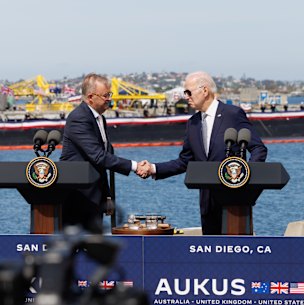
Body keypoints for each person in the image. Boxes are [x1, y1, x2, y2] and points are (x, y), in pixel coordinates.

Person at [137, 71, 267, 235]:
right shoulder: (193, 123)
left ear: (204, 90)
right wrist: (153, 169)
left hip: (235, 202)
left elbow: (258, 149)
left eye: (188, 92)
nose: (186, 97)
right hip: (207, 204)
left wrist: (246, 177)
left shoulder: (232, 114)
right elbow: (185, 161)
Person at [60, 73, 144, 233]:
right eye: (106, 95)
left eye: (109, 94)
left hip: (95, 197)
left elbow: (100, 163)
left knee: (93, 247)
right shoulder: (79, 118)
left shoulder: (99, 119)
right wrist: (135, 166)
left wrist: (107, 197)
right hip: (78, 197)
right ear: (91, 97)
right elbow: (98, 156)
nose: (109, 99)